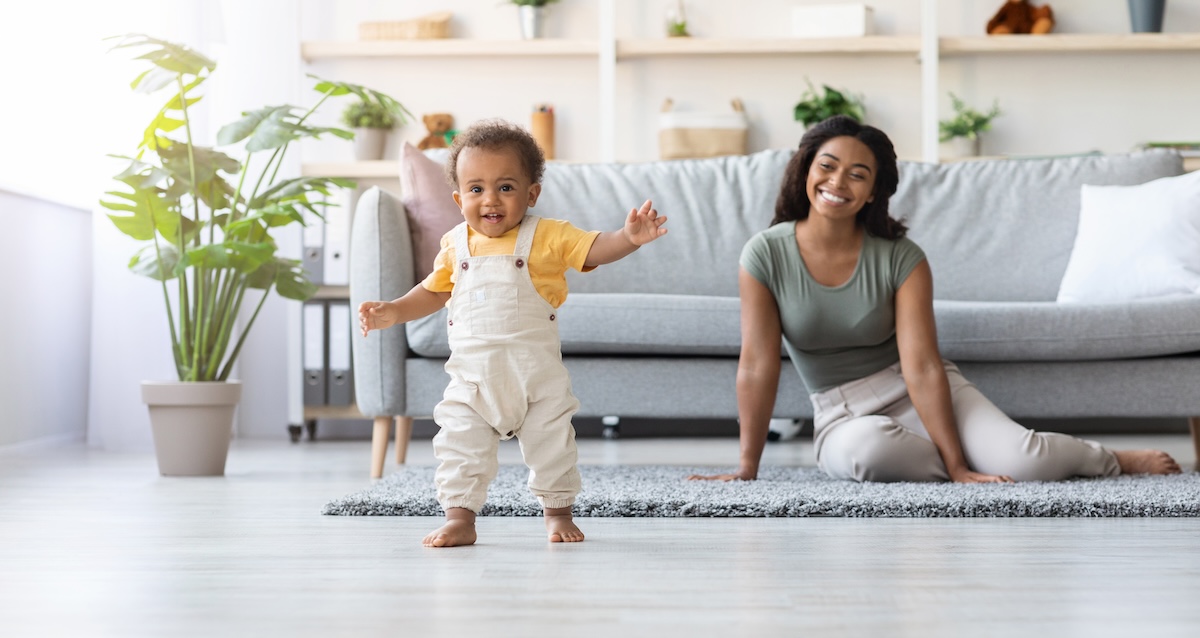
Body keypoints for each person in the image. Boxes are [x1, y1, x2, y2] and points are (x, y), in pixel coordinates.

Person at [691, 115, 1180, 484]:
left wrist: (955, 465)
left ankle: (1109, 459)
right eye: (828, 166)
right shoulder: (765, 253)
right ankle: (965, 458)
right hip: (842, 414)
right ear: (805, 171)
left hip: (917, 387)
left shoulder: (902, 257)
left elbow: (922, 366)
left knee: (1024, 462)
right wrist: (746, 467)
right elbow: (756, 366)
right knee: (870, 454)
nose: (838, 183)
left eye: (857, 175)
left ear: (872, 194)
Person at [359, 119, 667, 547]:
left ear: (531, 193)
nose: (491, 200)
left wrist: (628, 238)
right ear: (458, 197)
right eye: (476, 189)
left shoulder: (548, 236)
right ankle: (460, 518)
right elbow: (433, 291)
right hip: (472, 382)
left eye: (505, 187)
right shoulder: (455, 245)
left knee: (553, 448)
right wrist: (393, 311)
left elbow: (593, 248)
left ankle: (558, 513)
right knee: (460, 448)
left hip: (536, 380)